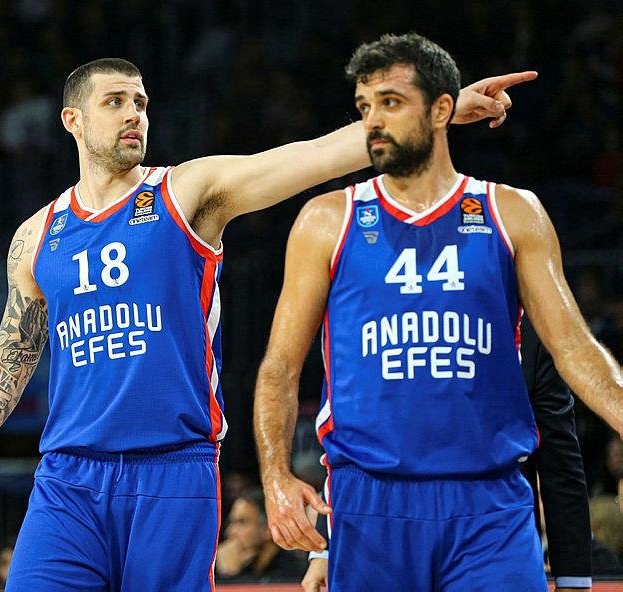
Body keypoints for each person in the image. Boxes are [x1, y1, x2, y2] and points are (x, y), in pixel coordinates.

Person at [0, 57, 534, 591]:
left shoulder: (187, 192)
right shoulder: (36, 236)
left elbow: (313, 156)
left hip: (172, 469)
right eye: (115, 102)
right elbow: (8, 365)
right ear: (73, 120)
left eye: (141, 103)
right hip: (68, 478)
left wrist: (429, 116)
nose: (134, 114)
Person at [253, 33, 623, 592]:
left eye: (391, 102)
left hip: (489, 504)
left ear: (442, 109)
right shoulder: (326, 220)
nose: (374, 121)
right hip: (369, 503)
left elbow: (572, 346)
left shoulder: (512, 211)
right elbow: (280, 366)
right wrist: (276, 477)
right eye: (364, 106)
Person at [299, 314, 593, 591]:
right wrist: (326, 548)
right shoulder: (378, 311)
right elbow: (350, 430)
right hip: (380, 524)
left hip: (494, 523)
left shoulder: (533, 326)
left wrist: (574, 577)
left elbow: (560, 460)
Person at [216, 488, 307, 582]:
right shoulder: (246, 565)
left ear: (268, 528)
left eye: (241, 522)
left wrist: (230, 574)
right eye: (231, 523)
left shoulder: (293, 573)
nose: (230, 531)